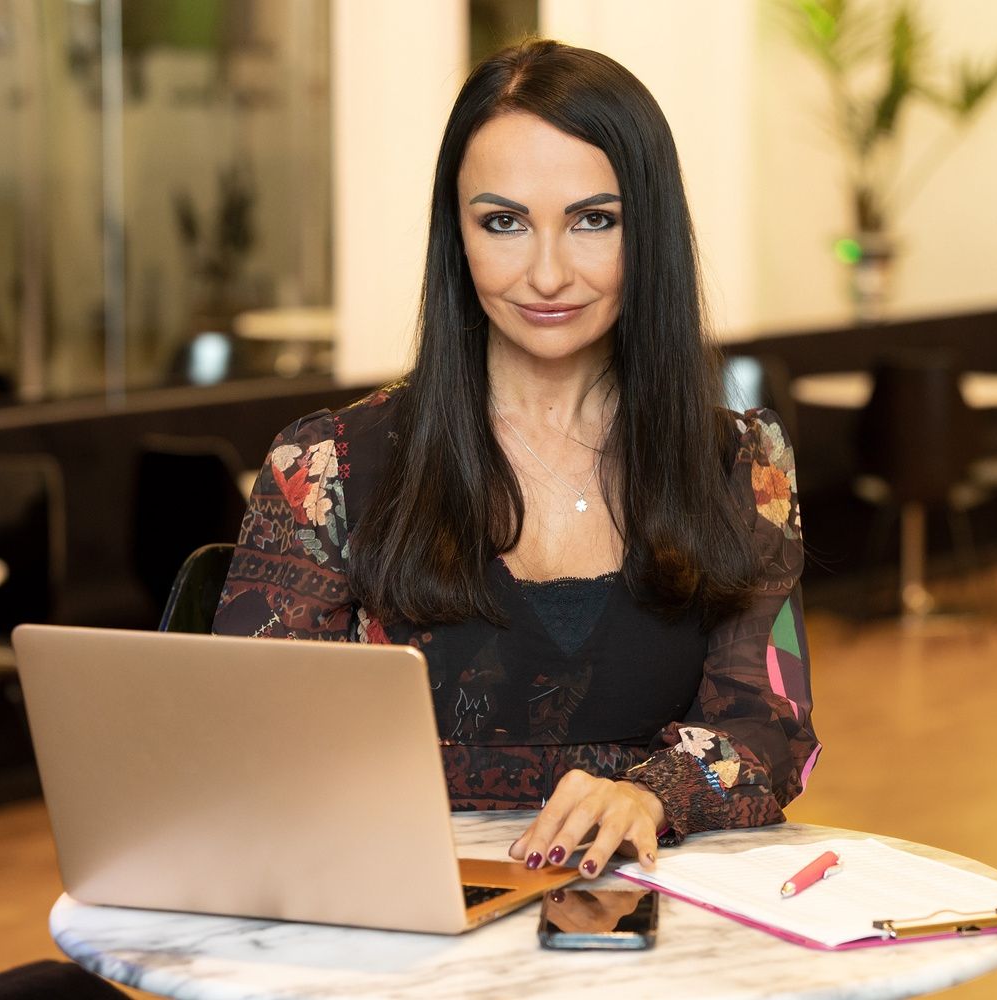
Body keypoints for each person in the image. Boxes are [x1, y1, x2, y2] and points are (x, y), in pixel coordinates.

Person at [213, 38, 818, 881]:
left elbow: (775, 728)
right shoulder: (324, 468)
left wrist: (651, 794)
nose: (546, 273)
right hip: (401, 911)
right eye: (503, 222)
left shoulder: (742, 463)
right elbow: (244, 738)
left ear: (650, 231)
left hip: (648, 911)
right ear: (455, 235)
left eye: (593, 220)